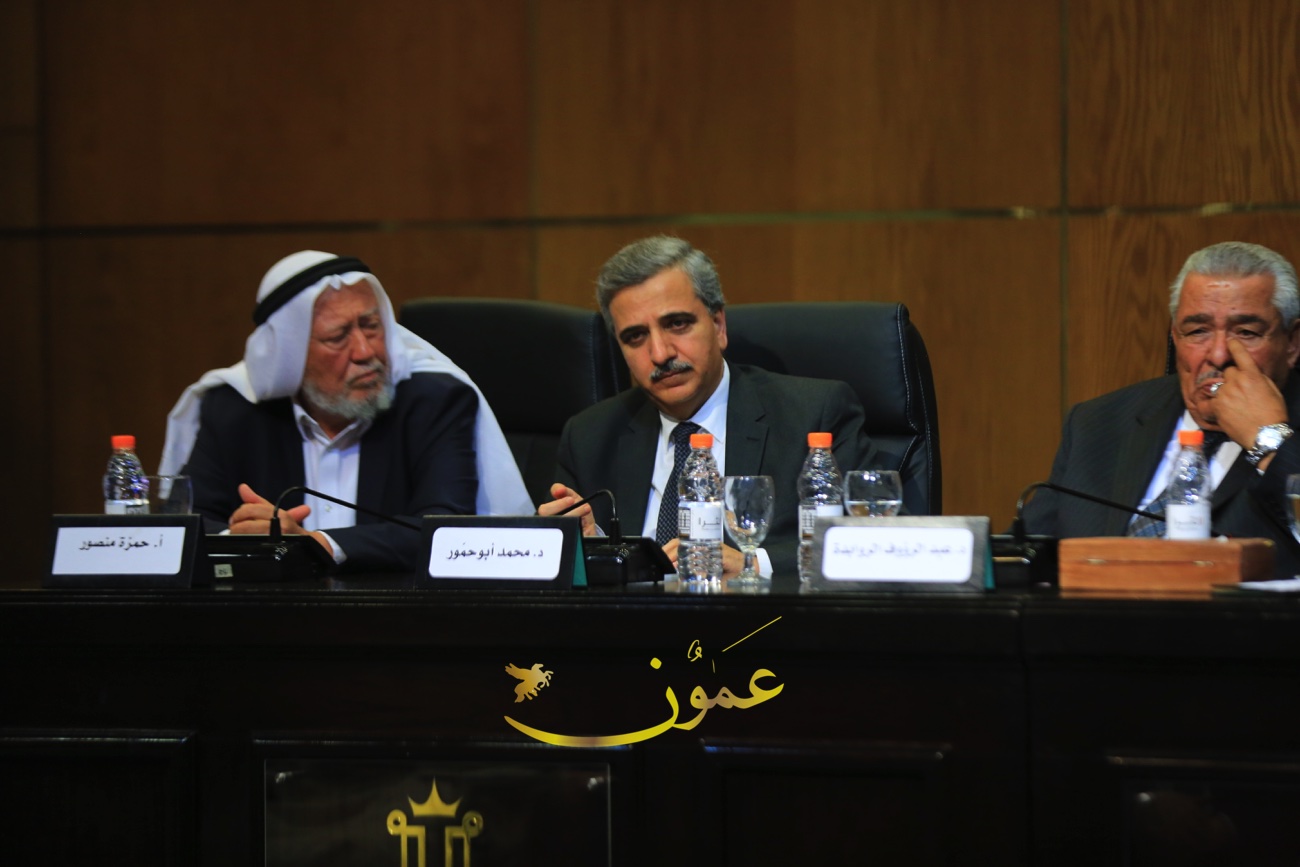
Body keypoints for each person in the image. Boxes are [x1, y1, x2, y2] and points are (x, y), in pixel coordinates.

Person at [160, 250, 532, 572]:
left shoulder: (433, 401)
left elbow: (444, 527)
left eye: (371, 326)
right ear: (290, 355)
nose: (365, 352)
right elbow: (186, 525)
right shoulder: (234, 410)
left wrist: (315, 544)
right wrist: (245, 537)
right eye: (338, 337)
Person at [537, 235, 884, 578]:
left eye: (677, 324)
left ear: (718, 326)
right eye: (635, 337)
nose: (660, 353)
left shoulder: (813, 414)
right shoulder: (589, 436)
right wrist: (587, 548)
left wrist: (753, 564)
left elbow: (877, 542)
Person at [1023, 241, 1300, 576]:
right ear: (1174, 337)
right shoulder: (1099, 423)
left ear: (1292, 343)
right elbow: (1024, 559)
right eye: (1197, 331)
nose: (1218, 355)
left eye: (1246, 332)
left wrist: (1269, 440)